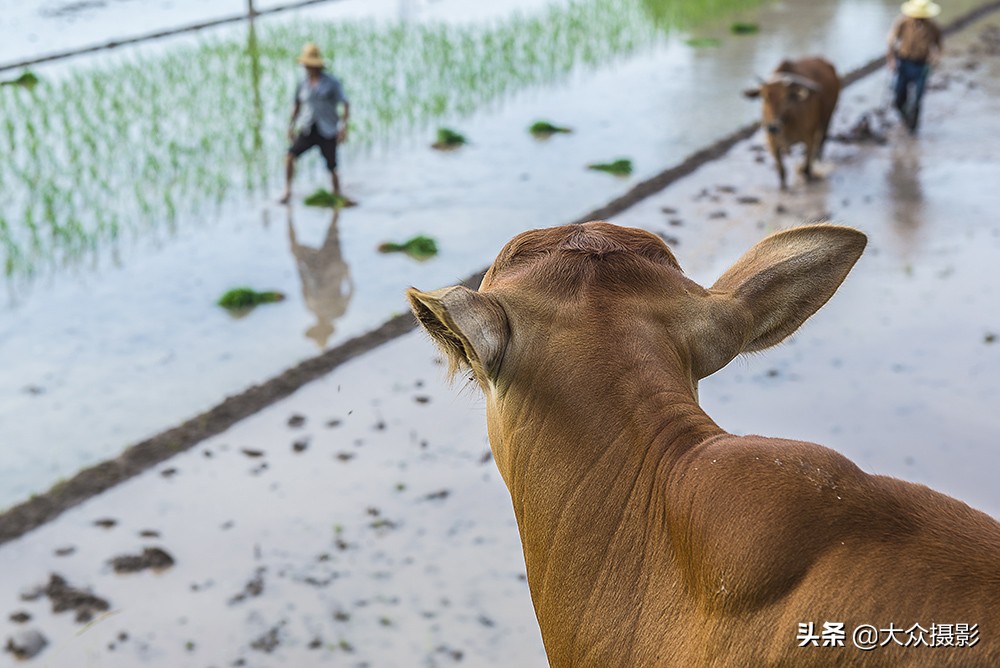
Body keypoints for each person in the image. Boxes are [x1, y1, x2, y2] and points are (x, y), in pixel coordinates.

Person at [280, 42, 350, 204]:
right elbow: (297, 105)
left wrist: (343, 128)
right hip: (308, 128)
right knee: (290, 156)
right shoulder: (302, 84)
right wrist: (291, 126)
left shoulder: (332, 83)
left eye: (310, 65)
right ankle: (287, 190)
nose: (308, 68)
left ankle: (337, 195)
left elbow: (345, 103)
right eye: (306, 65)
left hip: (327, 129)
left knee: (332, 166)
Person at [886, 0, 942, 134]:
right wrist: (891, 60)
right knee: (898, 97)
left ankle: (913, 129)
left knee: (918, 98)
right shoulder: (902, 23)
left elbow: (939, 47)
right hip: (904, 63)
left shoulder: (933, 27)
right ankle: (905, 118)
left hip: (921, 66)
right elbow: (891, 41)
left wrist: (934, 61)